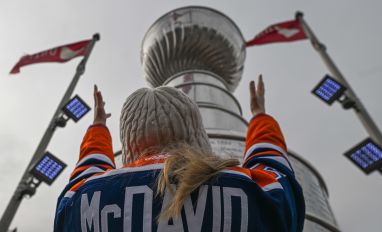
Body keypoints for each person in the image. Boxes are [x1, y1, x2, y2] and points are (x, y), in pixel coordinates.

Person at [54, 76, 305, 232]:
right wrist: (260, 116)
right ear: (196, 131)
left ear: (129, 142)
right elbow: (274, 167)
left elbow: (88, 169)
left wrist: (98, 127)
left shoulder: (86, 198)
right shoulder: (254, 192)